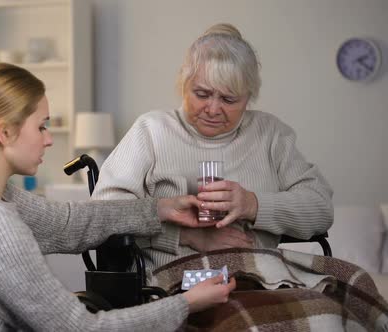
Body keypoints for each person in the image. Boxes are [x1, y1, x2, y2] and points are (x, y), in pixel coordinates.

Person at [0, 63, 236, 331]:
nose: (49, 139)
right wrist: (187, 304)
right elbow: (81, 329)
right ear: (4, 132)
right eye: (41, 126)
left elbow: (66, 224)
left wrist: (161, 208)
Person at [91, 23, 333, 275]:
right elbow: (105, 211)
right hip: (178, 283)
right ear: (184, 85)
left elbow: (320, 208)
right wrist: (185, 235)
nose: (214, 109)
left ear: (249, 97)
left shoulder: (270, 133)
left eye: (229, 99)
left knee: (345, 297)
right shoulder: (151, 130)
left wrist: (254, 204)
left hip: (259, 277)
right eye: (202, 94)